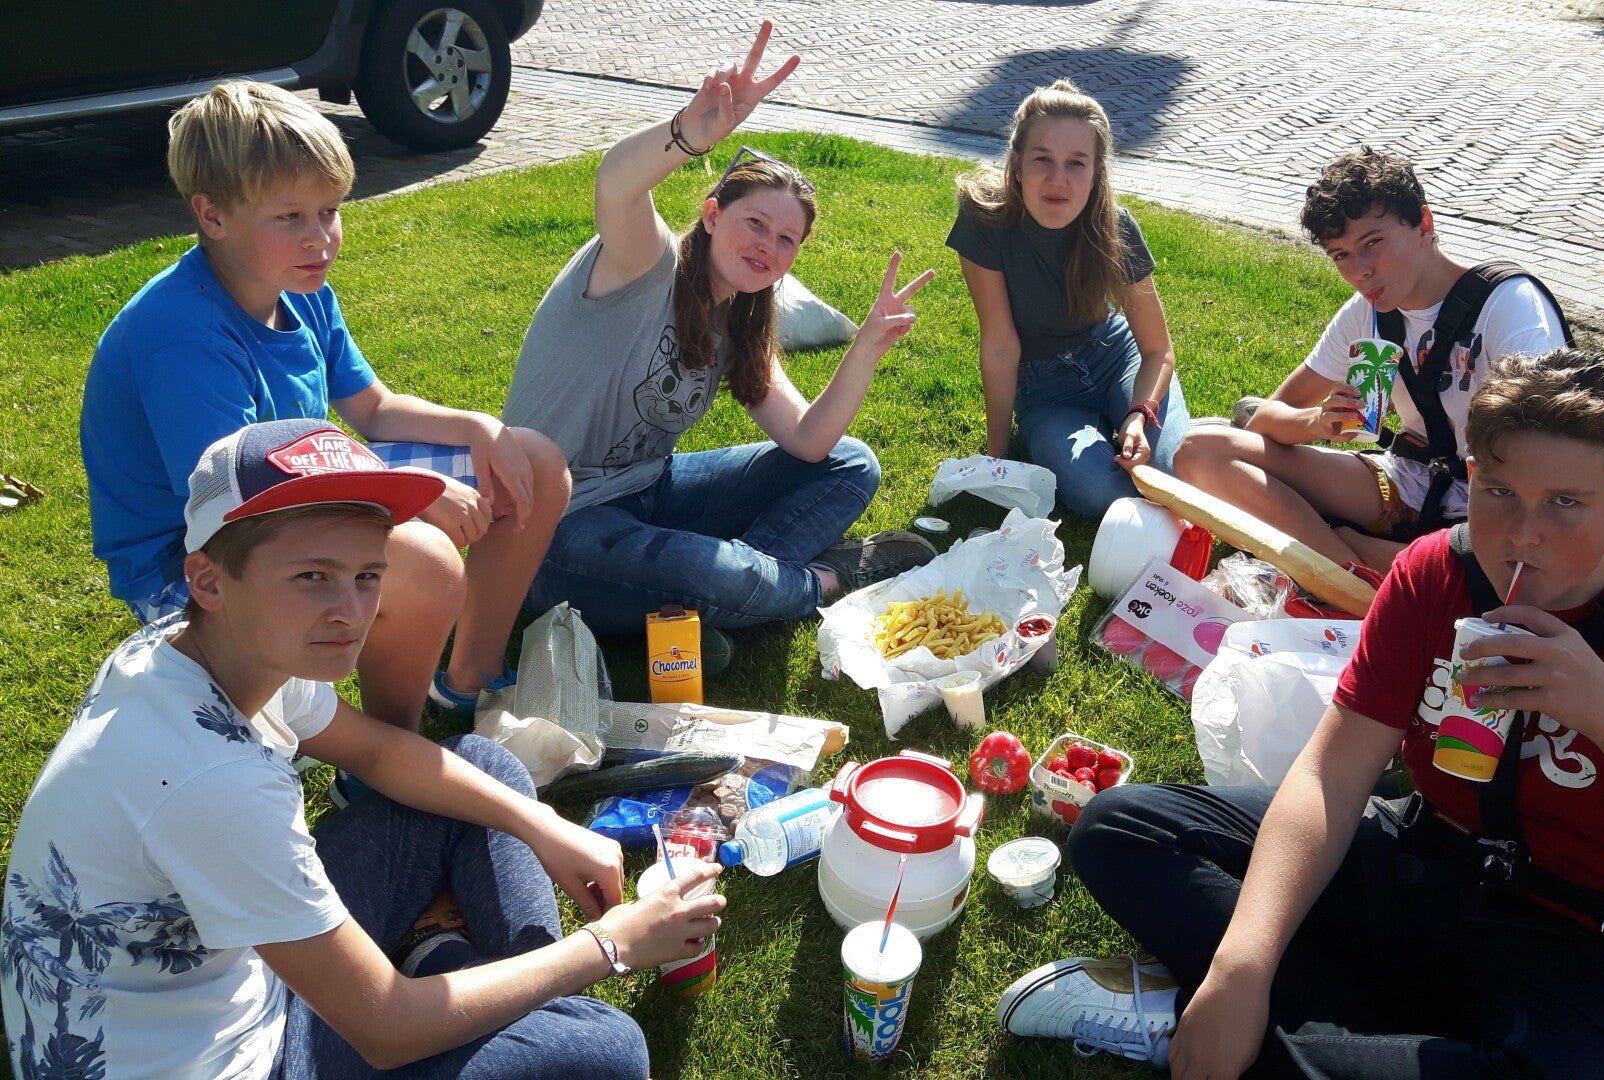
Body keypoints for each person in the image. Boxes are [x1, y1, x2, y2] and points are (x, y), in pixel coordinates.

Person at [1000, 349, 1604, 1078]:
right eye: (1499, 492)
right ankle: (1307, 1029)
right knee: (1124, 827)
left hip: (1578, 934)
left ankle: (1217, 1025)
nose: (1522, 535)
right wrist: (1240, 970)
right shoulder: (1439, 572)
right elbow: (1334, 771)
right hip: (1425, 858)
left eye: (1566, 502)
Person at [3, 419, 724, 1079]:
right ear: (210, 580)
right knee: (605, 1053)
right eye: (312, 577)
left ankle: (461, 973)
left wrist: (543, 825)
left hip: (216, 975)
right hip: (230, 1057)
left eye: (367, 575)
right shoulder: (213, 781)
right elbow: (384, 1028)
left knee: (488, 768)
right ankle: (463, 973)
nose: (350, 612)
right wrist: (611, 945)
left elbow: (380, 753)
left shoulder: (201, 649)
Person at [79, 81, 567, 727]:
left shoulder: (299, 289)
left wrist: (479, 428)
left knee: (532, 460)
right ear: (213, 216)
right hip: (199, 559)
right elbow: (234, 505)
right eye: (290, 217)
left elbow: (373, 408)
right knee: (424, 562)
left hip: (285, 505)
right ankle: (386, 748)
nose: (320, 239)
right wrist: (406, 493)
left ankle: (468, 681)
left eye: (329, 210)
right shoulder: (181, 335)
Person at [504, 21, 939, 636]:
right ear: (711, 215)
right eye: (755, 223)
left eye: (786, 239)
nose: (768, 246)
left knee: (851, 463)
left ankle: (735, 593)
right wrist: (688, 134)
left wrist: (866, 346)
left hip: (651, 491)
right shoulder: (643, 264)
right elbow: (616, 183)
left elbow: (810, 442)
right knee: (700, 570)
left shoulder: (739, 317)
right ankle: (817, 582)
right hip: (555, 525)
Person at [1174, 147, 1571, 573]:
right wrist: (1319, 422)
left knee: (1517, 556)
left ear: (1424, 225)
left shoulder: (1507, 305)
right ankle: (1354, 573)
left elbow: (1554, 455)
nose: (1359, 270)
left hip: (1499, 510)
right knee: (1201, 450)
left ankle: (1350, 557)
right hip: (1409, 481)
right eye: (1341, 255)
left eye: (1373, 243)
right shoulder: (1367, 312)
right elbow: (1266, 418)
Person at [947, 78, 1190, 519]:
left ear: (1096, 172)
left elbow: (1157, 350)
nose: (1058, 180)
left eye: (1076, 163)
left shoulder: (1115, 226)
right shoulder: (983, 221)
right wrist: (996, 457)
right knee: (1101, 494)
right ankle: (1128, 437)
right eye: (1042, 159)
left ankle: (1167, 431)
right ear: (1017, 163)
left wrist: (1139, 414)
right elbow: (1000, 346)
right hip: (1045, 392)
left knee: (1168, 472)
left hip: (1117, 359)